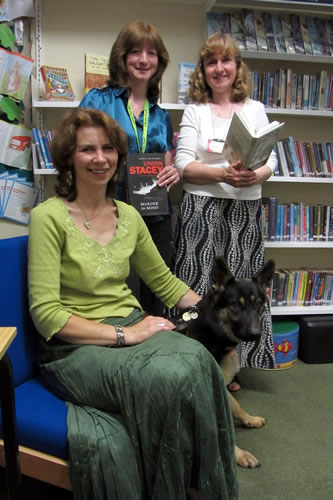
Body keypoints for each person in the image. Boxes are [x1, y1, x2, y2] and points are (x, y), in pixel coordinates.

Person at [28, 107, 238, 500]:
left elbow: (164, 281)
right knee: (168, 379)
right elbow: (47, 316)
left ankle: (196, 483)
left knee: (198, 360)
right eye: (87, 149)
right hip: (74, 347)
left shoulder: (128, 215)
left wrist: (218, 311)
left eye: (108, 148)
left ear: (119, 157)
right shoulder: (47, 217)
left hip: (132, 325)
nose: (100, 158)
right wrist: (126, 334)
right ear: (69, 157)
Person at [171, 32, 278, 377]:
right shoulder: (195, 110)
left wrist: (256, 175)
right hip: (200, 208)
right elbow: (184, 165)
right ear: (203, 69)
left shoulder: (255, 109)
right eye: (211, 61)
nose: (219, 68)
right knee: (195, 282)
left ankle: (230, 369)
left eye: (226, 60)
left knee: (244, 293)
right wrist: (223, 174)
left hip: (244, 210)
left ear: (237, 66)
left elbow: (270, 160)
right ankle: (186, 361)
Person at [79, 19, 179, 317]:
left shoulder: (160, 115)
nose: (144, 60)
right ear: (122, 56)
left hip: (155, 216)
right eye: (136, 51)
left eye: (152, 53)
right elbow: (77, 150)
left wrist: (171, 172)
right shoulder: (98, 100)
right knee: (115, 293)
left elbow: (167, 162)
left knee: (156, 293)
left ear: (159, 61)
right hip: (109, 212)